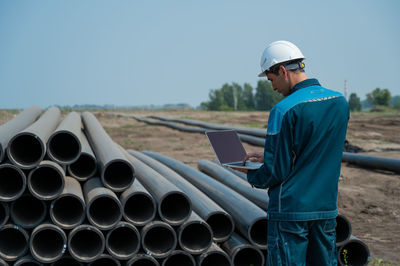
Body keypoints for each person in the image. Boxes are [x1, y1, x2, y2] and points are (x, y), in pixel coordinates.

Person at [241, 40, 349, 265]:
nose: (273, 88)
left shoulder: (283, 110)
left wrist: (248, 172)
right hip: (325, 210)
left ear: (282, 71)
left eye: (272, 80)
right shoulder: (339, 102)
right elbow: (315, 149)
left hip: (290, 212)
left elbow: (274, 172)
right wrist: (270, 153)